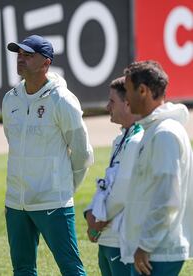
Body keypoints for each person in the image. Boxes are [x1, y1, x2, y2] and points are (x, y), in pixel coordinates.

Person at [2, 34, 94, 275]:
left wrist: (64, 188)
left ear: (46, 63)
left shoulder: (62, 100)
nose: (20, 59)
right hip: (16, 203)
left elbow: (82, 153)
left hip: (53, 202)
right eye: (19, 54)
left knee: (71, 268)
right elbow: (12, 143)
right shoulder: (10, 99)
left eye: (28, 55)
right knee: (22, 269)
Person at [121, 60, 193, 276]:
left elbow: (167, 197)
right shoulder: (154, 129)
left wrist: (146, 245)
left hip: (157, 252)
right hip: (152, 249)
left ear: (143, 91)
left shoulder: (164, 134)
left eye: (127, 91)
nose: (125, 99)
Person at [84, 77, 143, 276]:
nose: (107, 106)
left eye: (112, 101)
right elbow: (108, 185)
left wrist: (97, 221)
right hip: (108, 237)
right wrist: (91, 214)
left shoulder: (138, 140)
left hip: (124, 239)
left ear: (127, 104)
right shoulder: (120, 140)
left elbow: (125, 192)